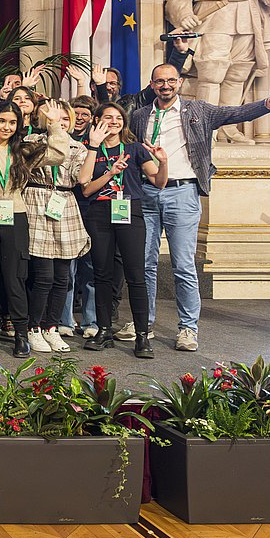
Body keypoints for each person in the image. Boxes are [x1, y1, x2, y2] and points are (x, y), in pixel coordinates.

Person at [130, 64, 270, 351]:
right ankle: (144, 323)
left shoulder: (199, 110)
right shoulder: (141, 116)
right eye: (160, 81)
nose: (165, 85)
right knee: (145, 263)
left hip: (182, 193)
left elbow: (236, 113)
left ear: (179, 83)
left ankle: (187, 329)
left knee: (183, 266)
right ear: (152, 84)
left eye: (171, 80)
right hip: (147, 192)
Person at [0, 99, 70, 357]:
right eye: (2, 121)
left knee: (16, 277)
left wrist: (55, 124)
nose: (7, 126)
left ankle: (21, 334)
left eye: (12, 122)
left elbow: (58, 154)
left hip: (16, 214)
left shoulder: (24, 151)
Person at [79, 103, 167, 358]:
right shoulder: (90, 148)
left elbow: (159, 182)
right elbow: (85, 187)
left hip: (130, 211)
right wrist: (107, 169)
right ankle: (103, 329)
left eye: (118, 118)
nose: (114, 121)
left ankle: (142, 336)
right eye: (108, 117)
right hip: (99, 214)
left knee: (135, 274)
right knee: (102, 275)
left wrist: (163, 162)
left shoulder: (134, 148)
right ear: (97, 120)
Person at [22, 101, 91, 354]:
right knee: (43, 275)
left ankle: (52, 327)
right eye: (53, 117)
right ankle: (34, 328)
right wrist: (52, 131)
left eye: (63, 118)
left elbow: (77, 176)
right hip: (37, 201)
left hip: (63, 203)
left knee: (63, 276)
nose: (58, 122)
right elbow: (40, 161)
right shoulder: (32, 139)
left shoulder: (79, 147)